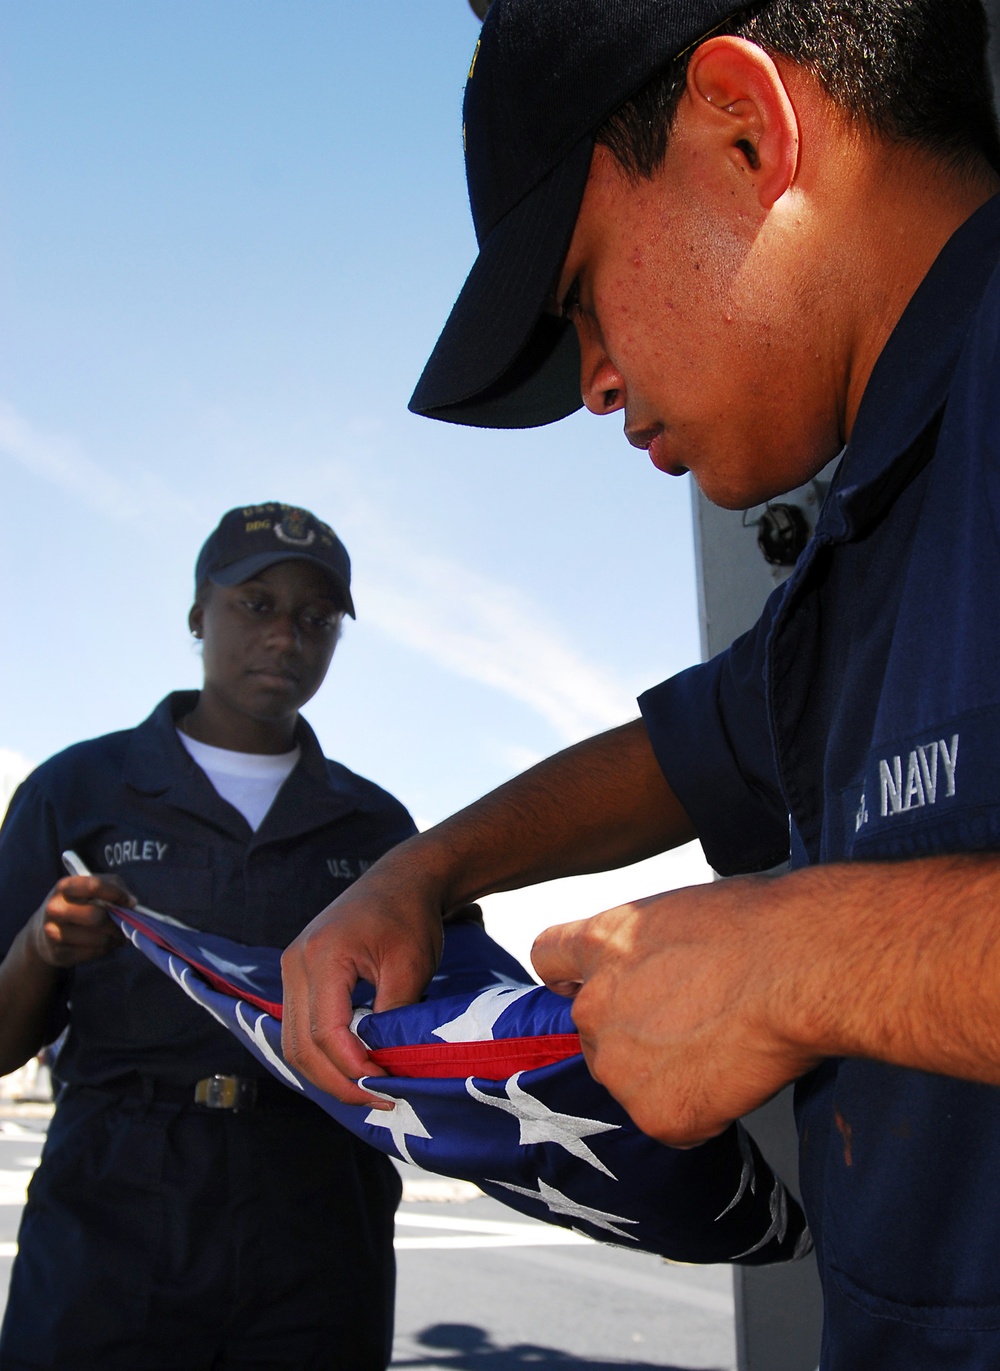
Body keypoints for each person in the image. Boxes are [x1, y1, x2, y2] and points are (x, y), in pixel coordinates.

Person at [279, 1, 1000, 1366]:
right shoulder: (864, 561)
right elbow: (681, 750)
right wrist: (421, 873)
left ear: (745, 129)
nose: (598, 382)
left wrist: (801, 956)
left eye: (585, 296)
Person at [0, 502, 416, 1370]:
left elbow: (436, 1021)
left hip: (316, 1209)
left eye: (316, 617)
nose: (287, 636)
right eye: (256, 604)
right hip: (109, 1210)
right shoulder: (77, 790)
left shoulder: (379, 828)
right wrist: (42, 946)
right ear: (199, 614)